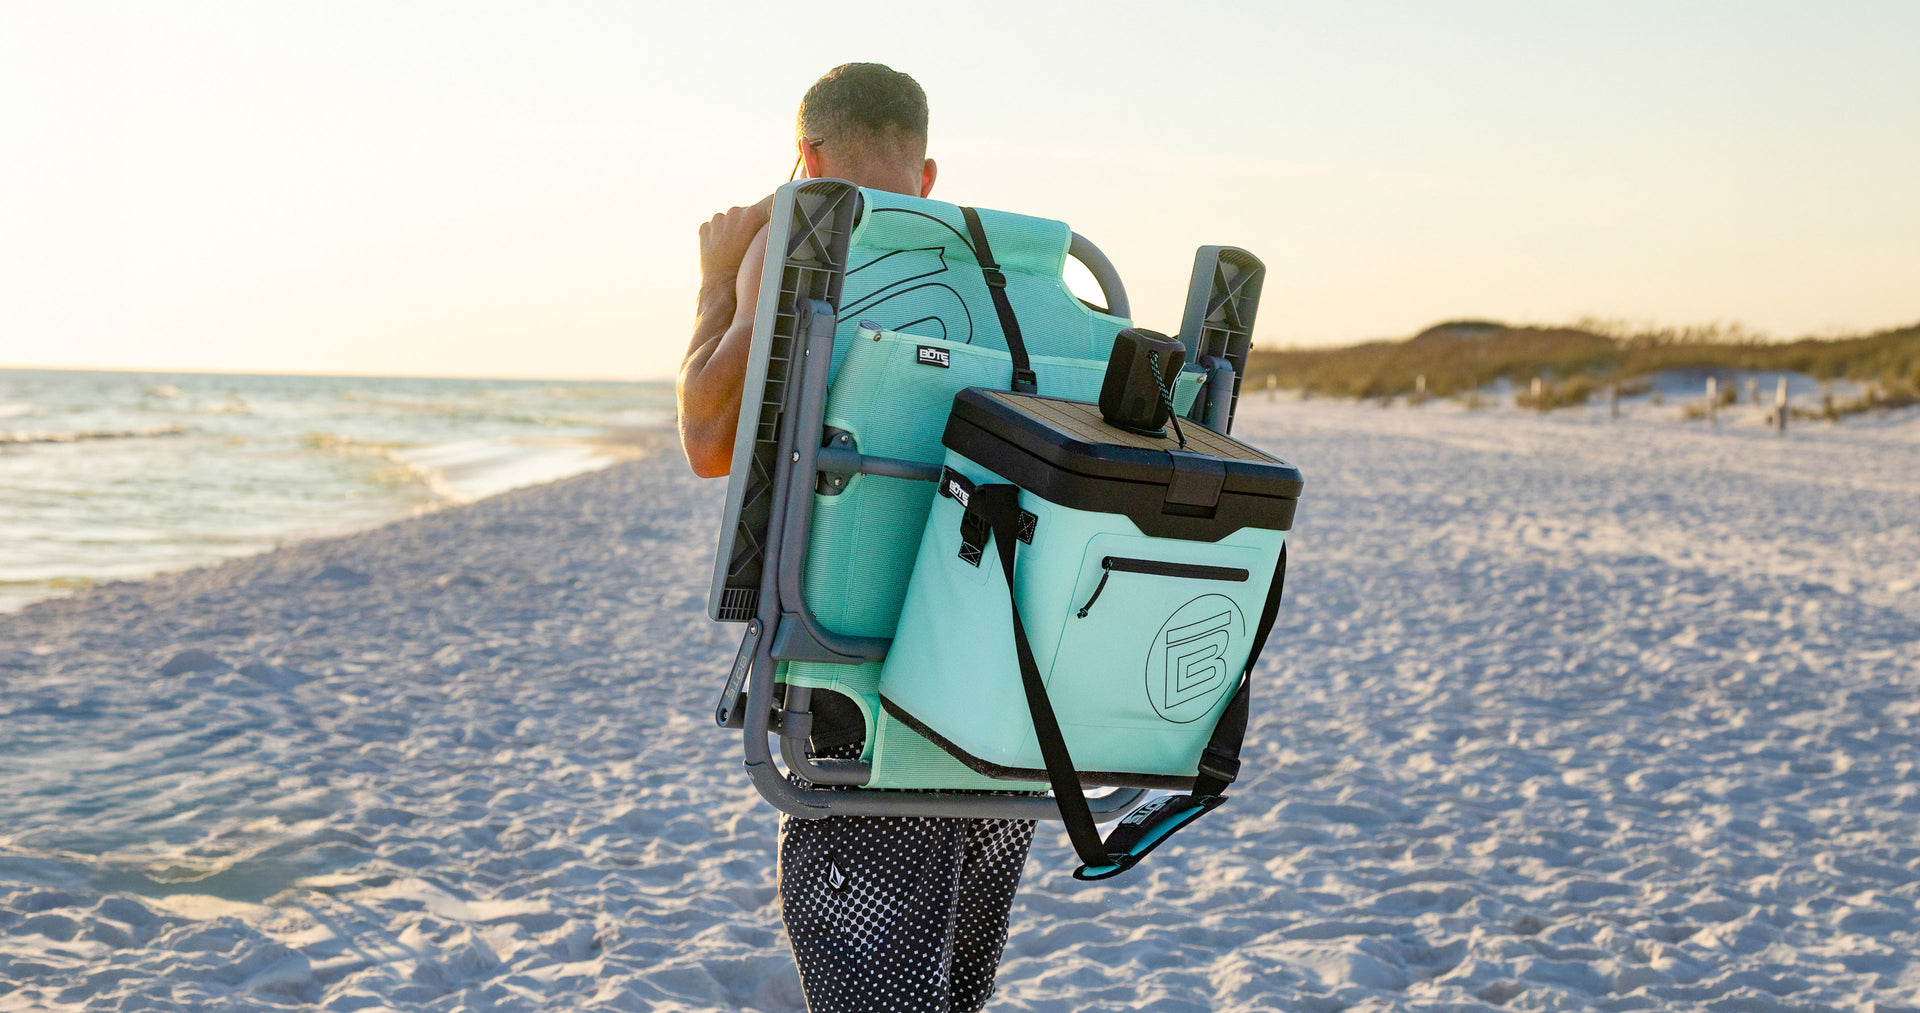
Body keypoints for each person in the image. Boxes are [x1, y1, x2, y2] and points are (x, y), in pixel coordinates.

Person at [676, 64, 1036, 1013]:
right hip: (995, 685)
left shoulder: (798, 253)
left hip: (854, 684)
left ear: (805, 156)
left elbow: (707, 441)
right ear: (927, 173)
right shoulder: (1019, 274)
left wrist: (717, 281)